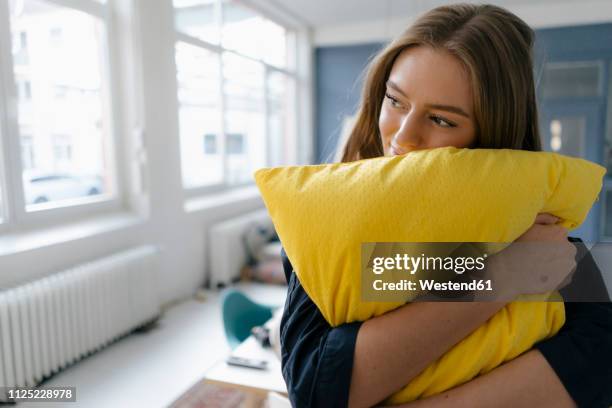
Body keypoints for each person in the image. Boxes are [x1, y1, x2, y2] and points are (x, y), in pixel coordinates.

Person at [279, 4, 612, 408]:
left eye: (441, 120)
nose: (403, 136)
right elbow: (314, 388)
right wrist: (499, 278)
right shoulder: (328, 234)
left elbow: (597, 359)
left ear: (493, 140)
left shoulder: (557, 253)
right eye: (395, 100)